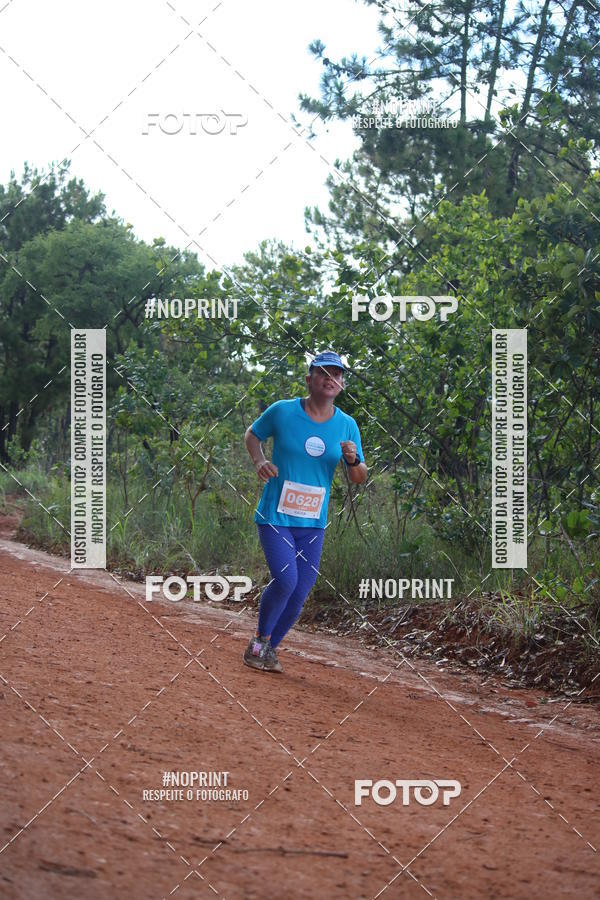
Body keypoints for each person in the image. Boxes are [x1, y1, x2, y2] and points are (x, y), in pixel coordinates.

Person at [243, 351, 368, 673]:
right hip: (276, 515)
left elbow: (359, 477)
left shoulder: (346, 425)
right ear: (309, 378)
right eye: (324, 372)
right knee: (285, 580)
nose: (331, 379)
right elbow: (252, 435)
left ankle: (268, 648)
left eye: (337, 375)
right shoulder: (283, 412)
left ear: (341, 384)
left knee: (299, 592)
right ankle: (257, 643)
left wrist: (353, 460)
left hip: (313, 522)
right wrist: (259, 461)